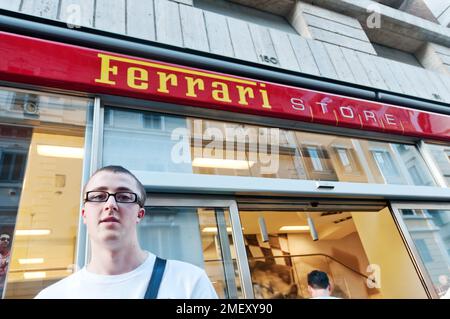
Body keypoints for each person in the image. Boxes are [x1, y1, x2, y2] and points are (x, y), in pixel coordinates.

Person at [35, 165, 218, 299]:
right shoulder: (51, 295)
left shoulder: (189, 282)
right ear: (84, 214)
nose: (111, 205)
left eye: (124, 197)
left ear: (140, 214)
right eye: (98, 197)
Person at [0, 233, 11, 297]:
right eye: (3, 239)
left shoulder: (10, 254)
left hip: (3, 287)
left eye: (8, 239)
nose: (6, 241)